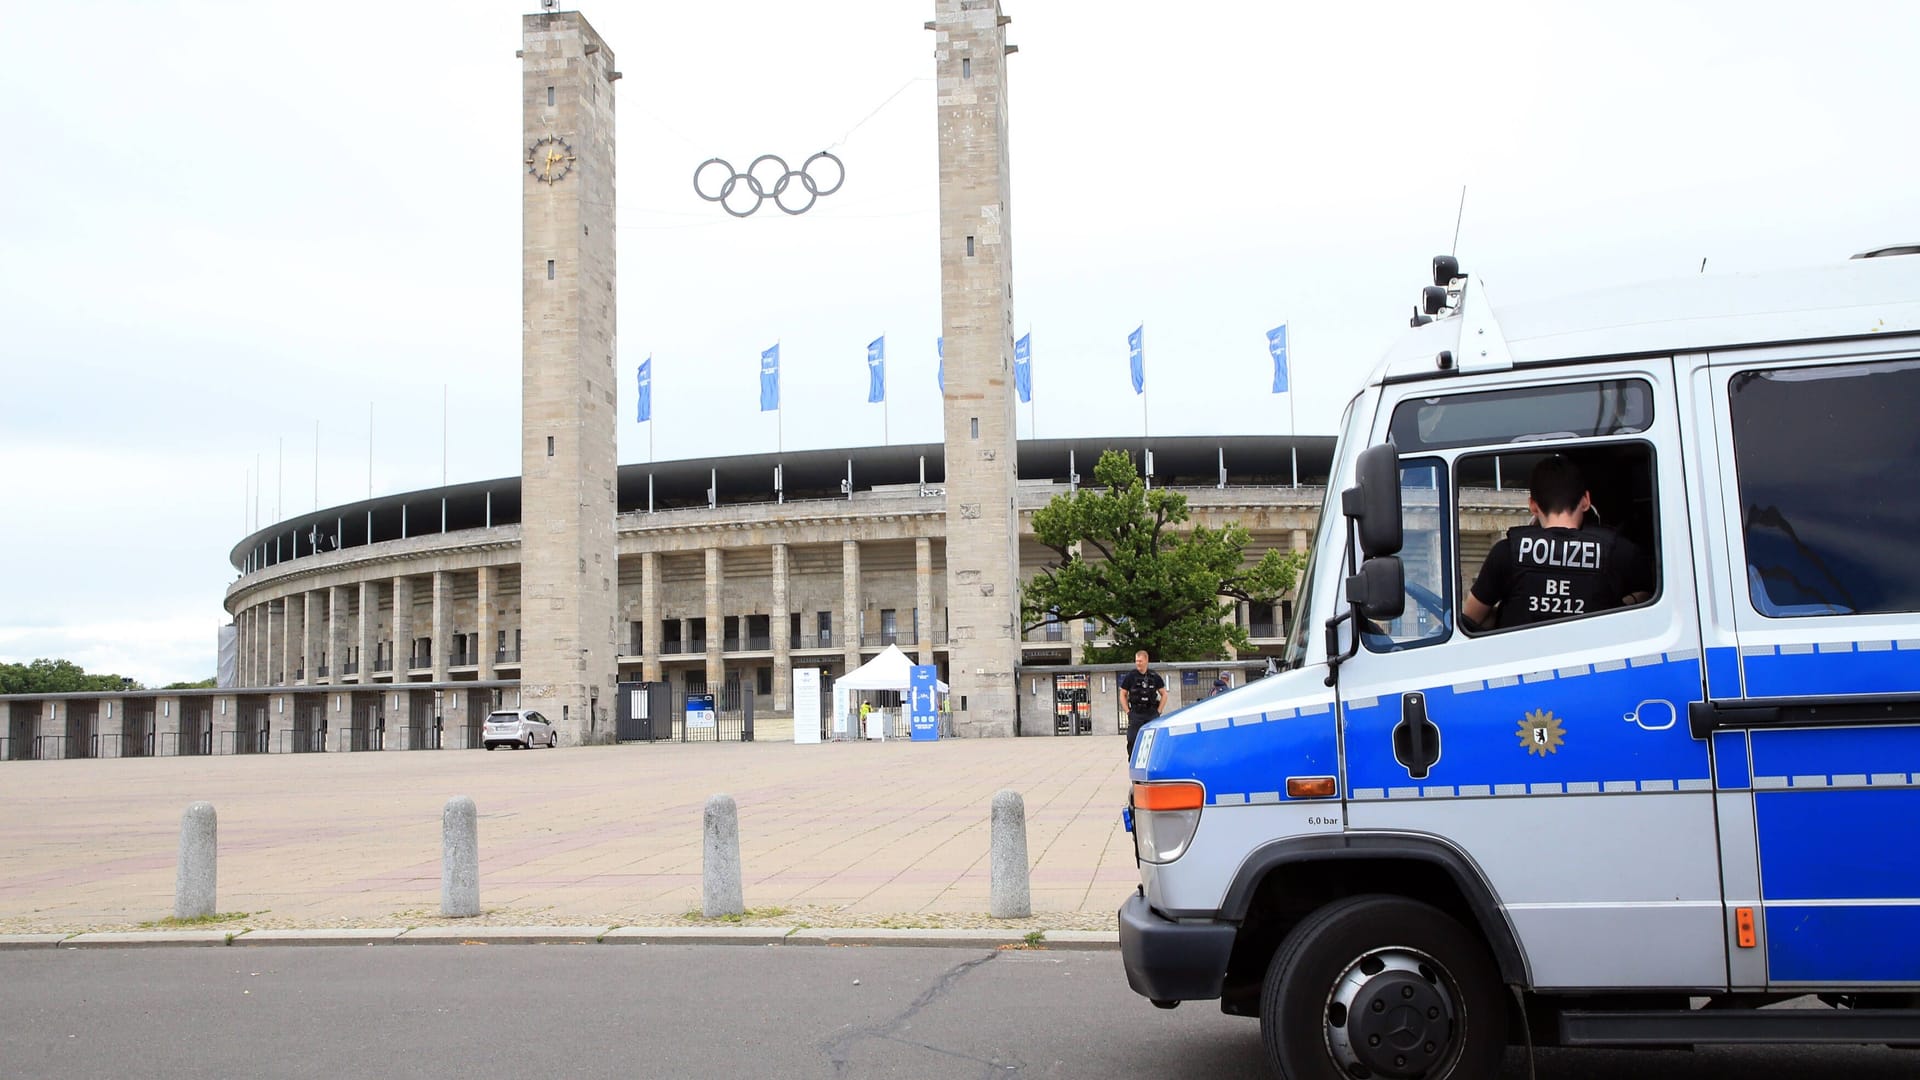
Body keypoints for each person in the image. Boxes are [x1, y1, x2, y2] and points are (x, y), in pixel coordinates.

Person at [1463, 454, 1653, 631]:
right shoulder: (1619, 552)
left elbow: (1471, 620)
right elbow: (1651, 601)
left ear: (1533, 505)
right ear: (1586, 501)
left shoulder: (1506, 553)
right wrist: (1626, 603)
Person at [1117, 650, 1168, 757]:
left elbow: (1164, 694)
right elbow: (1122, 694)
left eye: (1140, 661)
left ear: (1146, 661)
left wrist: (1159, 711)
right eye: (1136, 661)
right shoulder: (1131, 676)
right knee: (1132, 739)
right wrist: (1127, 711)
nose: (1138, 663)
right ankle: (1133, 761)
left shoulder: (1154, 676)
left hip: (1151, 713)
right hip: (1136, 713)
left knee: (1154, 741)